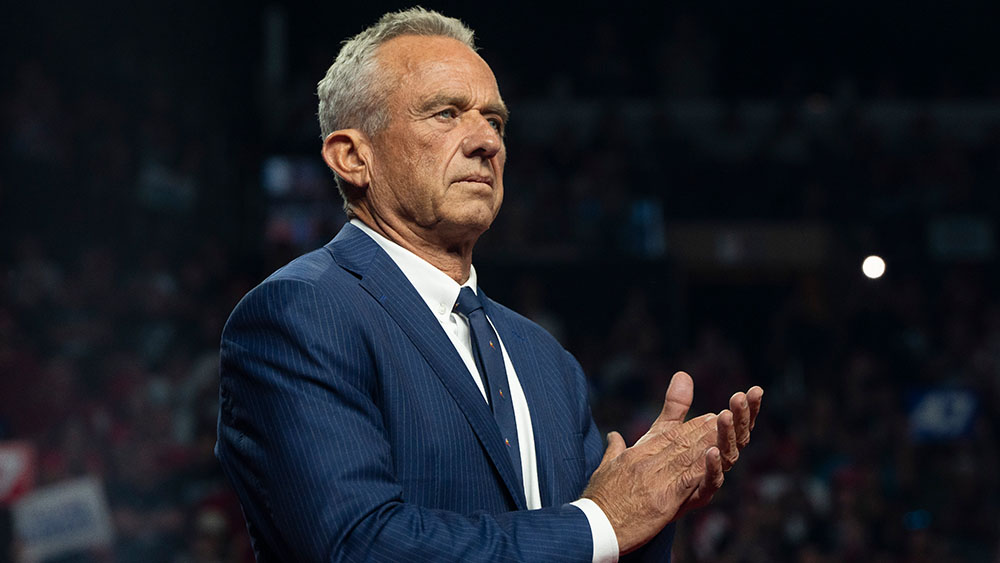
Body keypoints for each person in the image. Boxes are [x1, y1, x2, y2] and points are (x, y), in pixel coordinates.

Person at [215, 7, 763, 562]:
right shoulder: (300, 313)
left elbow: (589, 542)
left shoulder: (546, 359)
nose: (487, 143)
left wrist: (653, 506)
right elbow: (357, 544)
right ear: (354, 157)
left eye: (495, 121)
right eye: (446, 113)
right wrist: (604, 520)